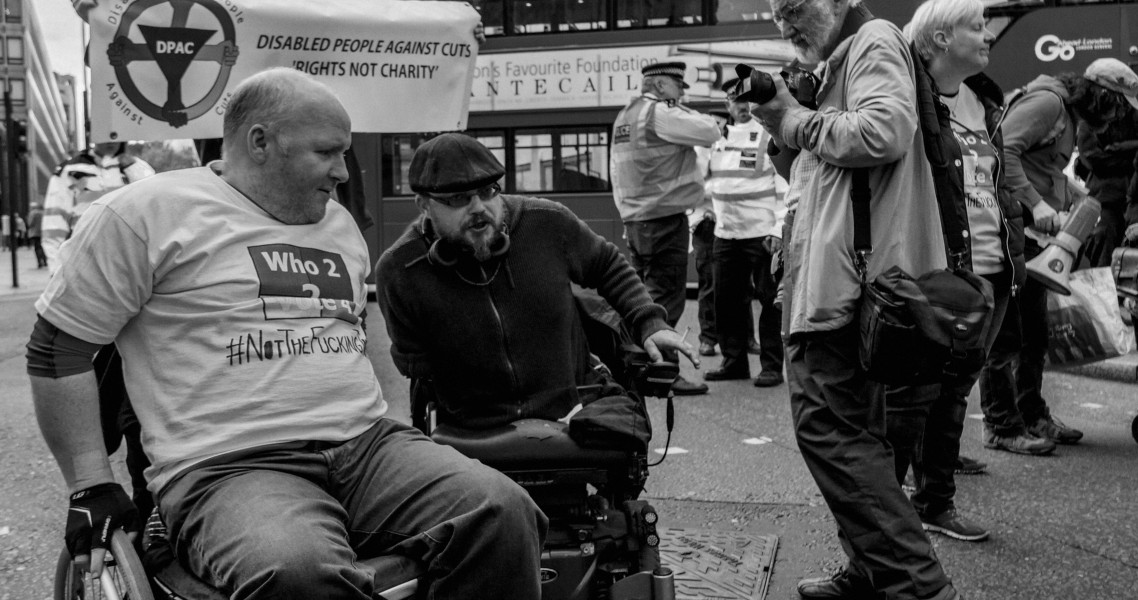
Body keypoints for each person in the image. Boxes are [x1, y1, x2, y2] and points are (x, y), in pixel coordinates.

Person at [26, 68, 545, 599]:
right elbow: (56, 348)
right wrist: (91, 484)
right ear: (260, 142)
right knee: (297, 568)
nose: (344, 171)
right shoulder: (143, 214)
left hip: (367, 445)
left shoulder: (337, 224)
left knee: (501, 510)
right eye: (328, 152)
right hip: (228, 465)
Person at [752, 1, 958, 598]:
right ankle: (871, 574)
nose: (782, 24)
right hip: (842, 278)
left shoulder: (871, 41)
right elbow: (825, 175)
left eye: (792, 7)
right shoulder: (843, 61)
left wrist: (794, 121)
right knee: (861, 436)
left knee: (830, 431)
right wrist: (781, 122)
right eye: (773, 13)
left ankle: (917, 588)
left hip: (847, 286)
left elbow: (882, 133)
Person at [377, 132, 698, 429]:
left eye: (488, 192)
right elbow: (416, 366)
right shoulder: (398, 270)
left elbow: (607, 264)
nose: (479, 208)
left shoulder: (547, 221)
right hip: (472, 431)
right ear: (424, 205)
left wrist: (649, 323)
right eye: (459, 198)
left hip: (570, 412)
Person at [886, 0, 1030, 546]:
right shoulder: (908, 97)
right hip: (937, 272)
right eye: (977, 26)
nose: (989, 34)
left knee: (952, 398)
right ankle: (882, 521)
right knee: (909, 402)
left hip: (992, 273)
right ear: (942, 38)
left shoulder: (984, 99)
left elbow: (995, 185)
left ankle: (934, 504)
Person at [983, 58, 1138, 451]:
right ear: (1106, 99)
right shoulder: (1049, 104)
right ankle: (1002, 426)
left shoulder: (1066, 114)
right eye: (1121, 108)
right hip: (1012, 230)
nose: (1116, 121)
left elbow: (1043, 169)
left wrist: (1072, 195)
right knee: (1009, 337)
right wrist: (1036, 204)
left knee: (1034, 334)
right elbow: (1001, 152)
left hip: (1031, 234)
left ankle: (1032, 416)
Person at [611, 61, 723, 396]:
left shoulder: (626, 117)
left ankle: (632, 366)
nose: (682, 92)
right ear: (660, 86)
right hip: (662, 221)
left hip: (637, 221)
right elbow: (710, 131)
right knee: (665, 301)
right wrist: (688, 111)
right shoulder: (660, 114)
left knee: (640, 296)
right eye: (678, 86)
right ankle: (663, 373)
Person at [702, 78, 787, 387]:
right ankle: (734, 361)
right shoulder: (716, 138)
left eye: (743, 99)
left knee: (768, 301)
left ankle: (771, 367)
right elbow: (707, 183)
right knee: (726, 302)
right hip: (726, 234)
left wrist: (778, 228)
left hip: (762, 233)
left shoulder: (768, 135)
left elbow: (783, 185)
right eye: (732, 100)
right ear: (727, 105)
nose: (739, 106)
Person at [41, 142, 156, 274]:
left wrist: (132, 168)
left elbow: (153, 207)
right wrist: (56, 269)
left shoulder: (136, 166)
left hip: (130, 263)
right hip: (85, 262)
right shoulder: (70, 169)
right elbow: (54, 224)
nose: (111, 140)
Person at [26, 202, 46, 268]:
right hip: (43, 231)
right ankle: (45, 261)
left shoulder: (32, 213)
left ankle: (39, 262)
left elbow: (30, 223)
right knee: (43, 246)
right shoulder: (43, 213)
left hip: (35, 232)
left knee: (37, 247)